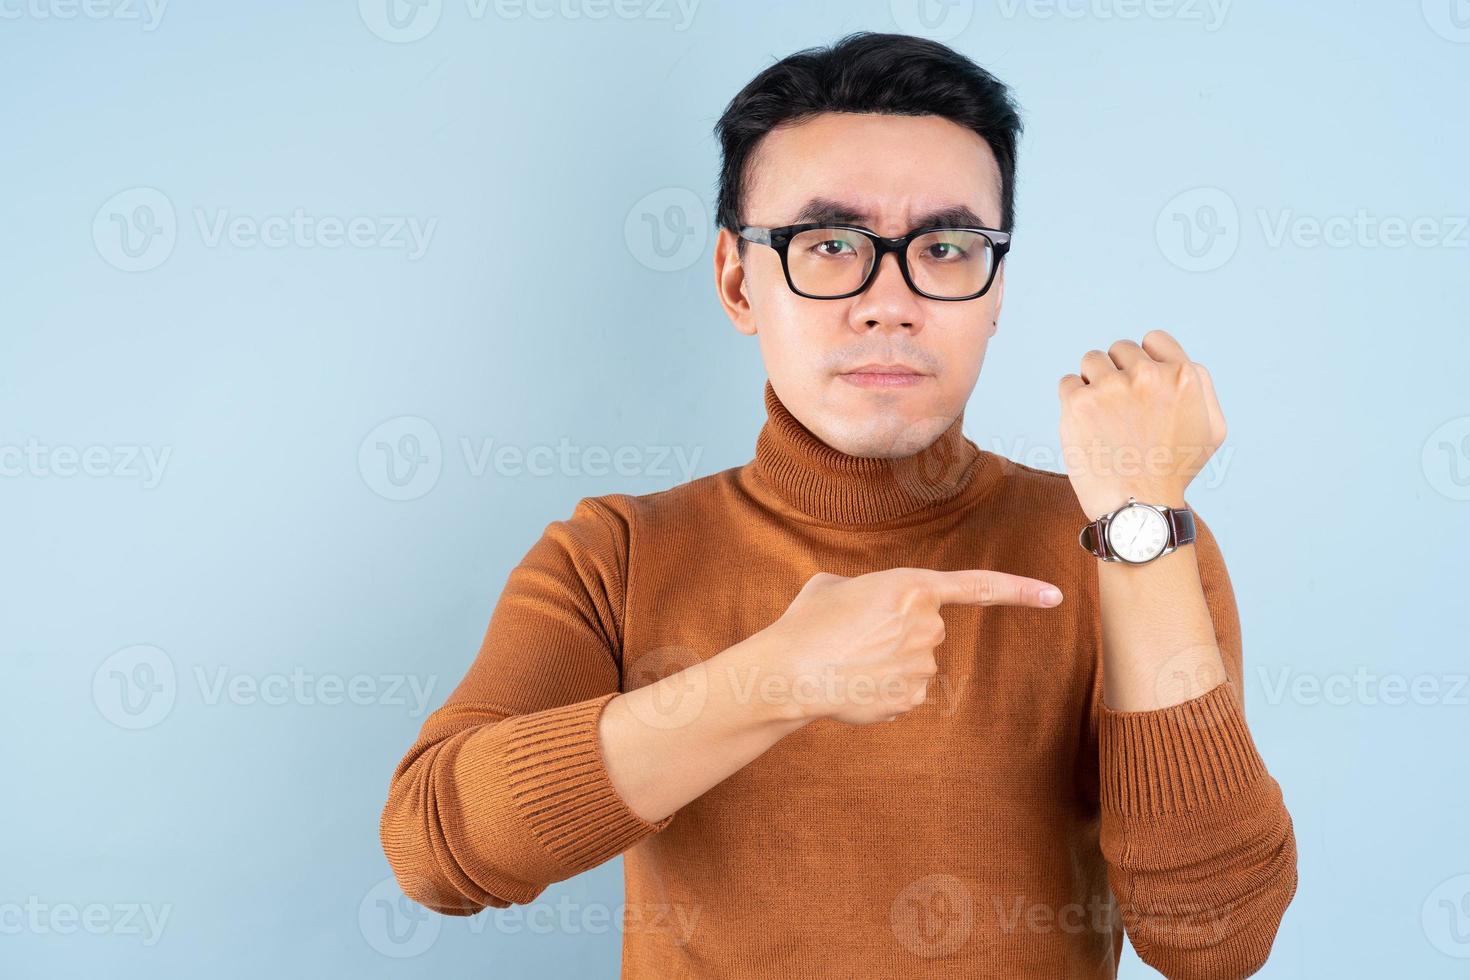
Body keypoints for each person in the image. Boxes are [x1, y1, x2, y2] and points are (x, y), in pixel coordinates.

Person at [379, 30, 1297, 978]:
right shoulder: (614, 554)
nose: (888, 302)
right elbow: (435, 849)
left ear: (995, 291)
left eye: (945, 248)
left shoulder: (1124, 544)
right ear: (739, 281)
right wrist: (773, 680)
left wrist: (1140, 522)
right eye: (830, 246)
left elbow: (1214, 940)